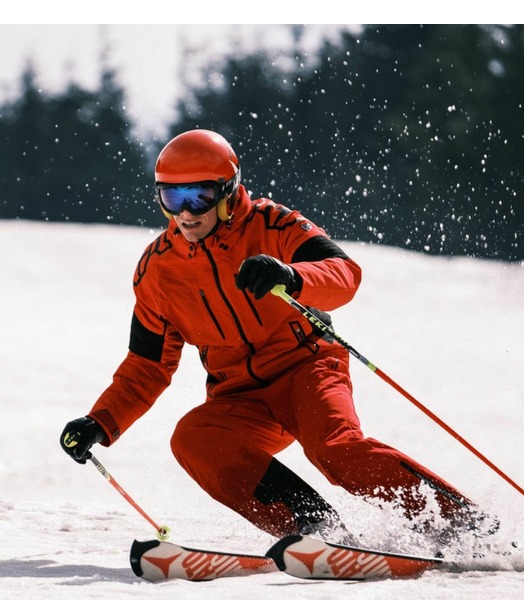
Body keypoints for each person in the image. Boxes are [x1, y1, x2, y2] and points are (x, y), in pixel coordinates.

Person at [60, 128, 487, 547]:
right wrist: (100, 422)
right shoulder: (158, 271)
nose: (186, 213)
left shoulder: (272, 224)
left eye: (199, 196)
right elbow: (147, 365)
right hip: (240, 396)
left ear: (228, 190)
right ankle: (318, 532)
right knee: (195, 438)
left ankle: (463, 525)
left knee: (335, 449)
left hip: (309, 368)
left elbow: (344, 275)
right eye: (172, 197)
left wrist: (293, 276)